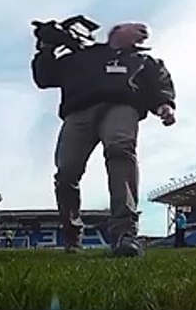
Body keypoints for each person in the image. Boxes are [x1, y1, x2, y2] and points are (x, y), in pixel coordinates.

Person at [32, 22, 176, 257]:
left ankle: (125, 234)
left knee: (121, 151)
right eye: (138, 28)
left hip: (122, 106)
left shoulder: (144, 61)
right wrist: (46, 48)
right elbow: (45, 77)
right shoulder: (83, 55)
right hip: (79, 110)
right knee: (67, 171)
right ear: (116, 30)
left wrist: (164, 104)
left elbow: (159, 83)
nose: (144, 33)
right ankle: (72, 235)